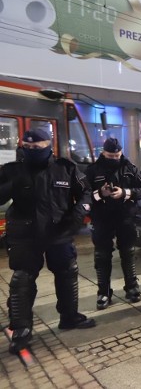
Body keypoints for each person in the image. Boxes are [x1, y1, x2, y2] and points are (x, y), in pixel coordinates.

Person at [0, 128, 95, 354]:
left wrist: (78, 214)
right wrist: (12, 183)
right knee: (22, 280)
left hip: (59, 231)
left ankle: (69, 317)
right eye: (28, 146)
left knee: (67, 273)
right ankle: (21, 329)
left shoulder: (65, 168)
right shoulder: (12, 170)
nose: (32, 150)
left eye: (37, 147)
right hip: (25, 234)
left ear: (49, 145)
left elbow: (86, 192)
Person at [85, 138, 141, 310]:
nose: (114, 158)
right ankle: (104, 292)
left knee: (128, 253)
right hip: (102, 218)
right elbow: (85, 196)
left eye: (117, 155)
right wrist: (101, 194)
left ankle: (132, 288)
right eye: (110, 155)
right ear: (103, 153)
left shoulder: (130, 168)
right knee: (102, 256)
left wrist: (125, 193)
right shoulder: (93, 170)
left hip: (125, 217)